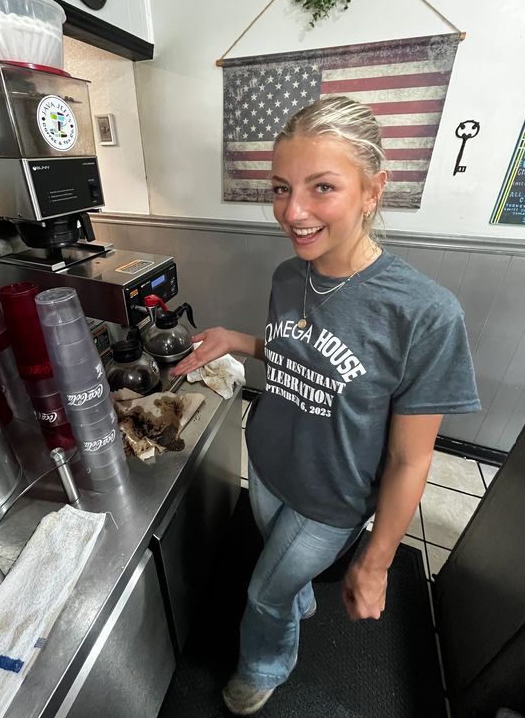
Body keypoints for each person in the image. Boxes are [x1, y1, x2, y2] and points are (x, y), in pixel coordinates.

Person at [171, 95, 481, 716]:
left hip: (330, 498)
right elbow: (301, 356)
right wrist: (239, 340)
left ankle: (265, 663)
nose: (294, 211)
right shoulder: (291, 274)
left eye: (322, 187)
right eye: (282, 188)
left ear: (373, 191)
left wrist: (376, 561)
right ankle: (295, 595)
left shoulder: (424, 312)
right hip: (266, 462)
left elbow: (408, 461)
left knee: (262, 594)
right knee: (279, 573)